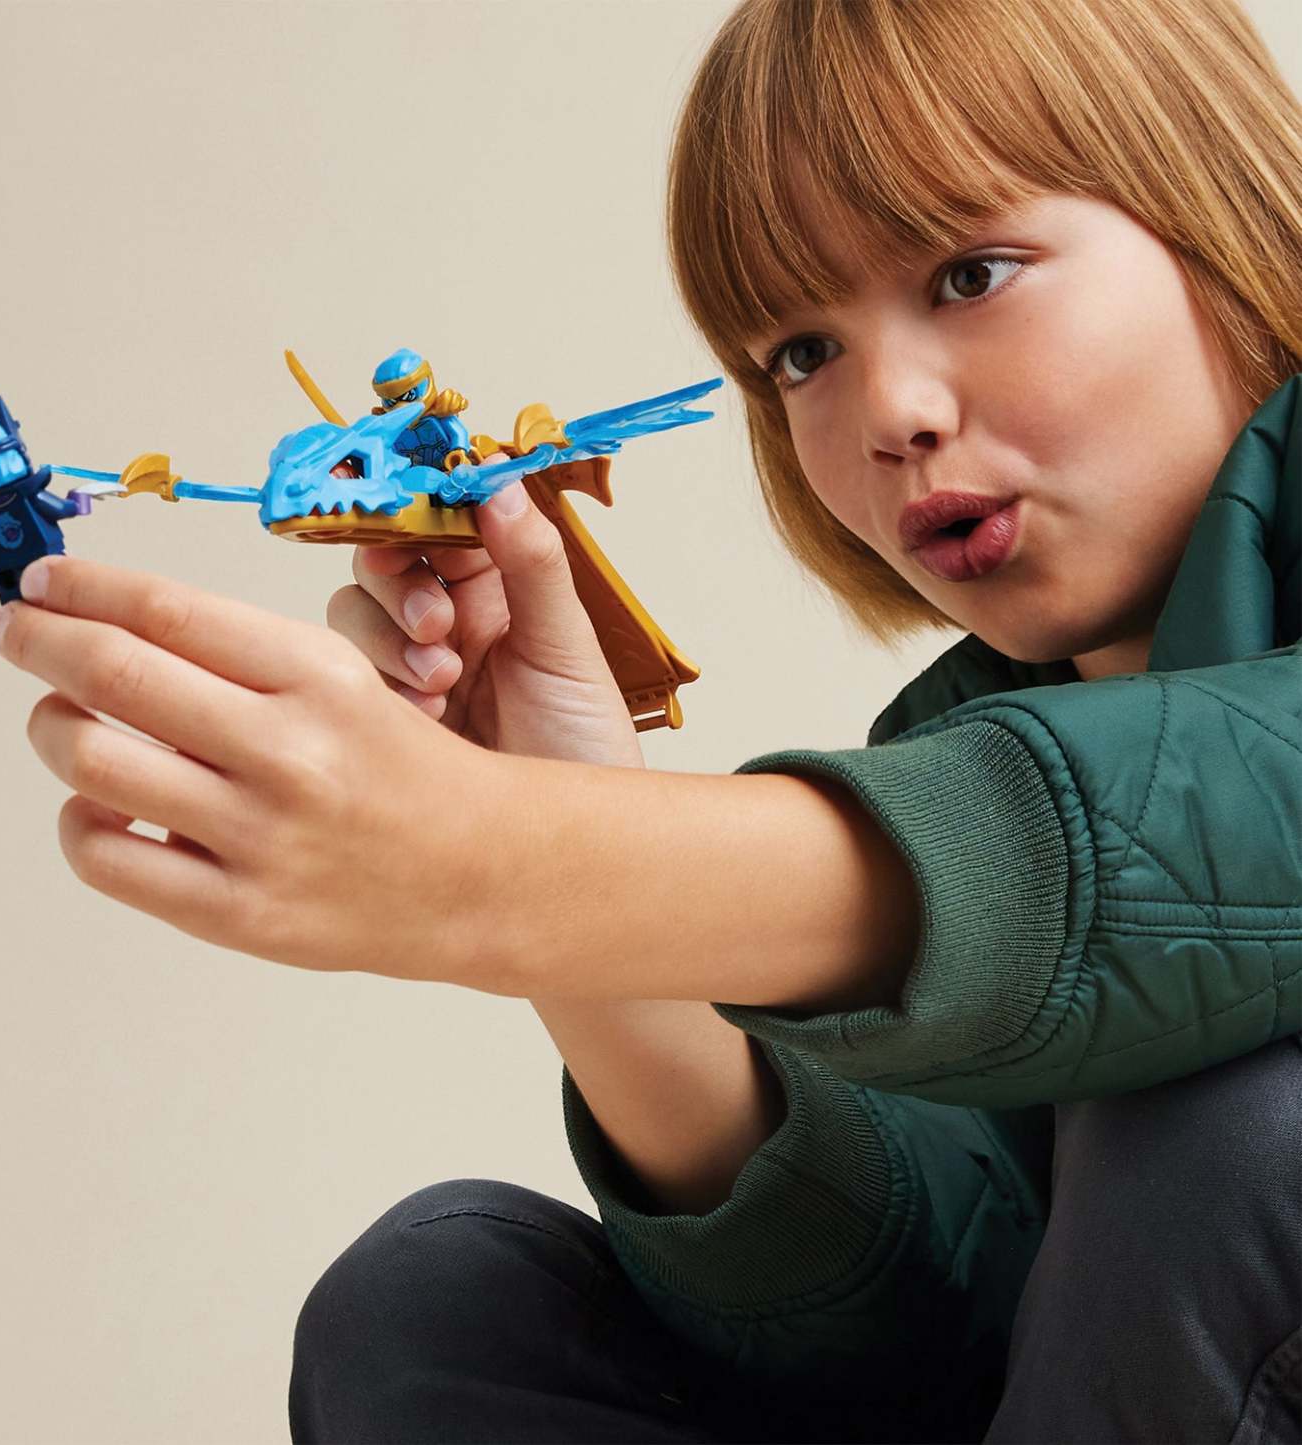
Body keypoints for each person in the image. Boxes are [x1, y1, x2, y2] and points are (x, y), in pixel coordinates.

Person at [286, 0, 1302, 1440]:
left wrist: (543, 862)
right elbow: (928, 1334)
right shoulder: (959, 742)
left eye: (971, 274)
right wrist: (579, 864)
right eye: (803, 355)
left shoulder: (984, 794)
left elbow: (1245, 817)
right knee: (437, 1304)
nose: (891, 412)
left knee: (1232, 1129)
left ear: (1213, 205)